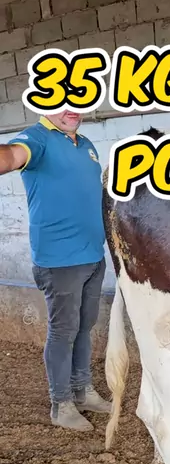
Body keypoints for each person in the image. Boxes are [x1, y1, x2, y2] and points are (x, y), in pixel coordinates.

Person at [0, 109, 112, 432]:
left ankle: (82, 389)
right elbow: (11, 156)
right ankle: (60, 403)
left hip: (93, 255)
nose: (70, 108)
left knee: (84, 327)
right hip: (60, 261)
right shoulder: (36, 139)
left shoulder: (86, 144)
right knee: (63, 331)